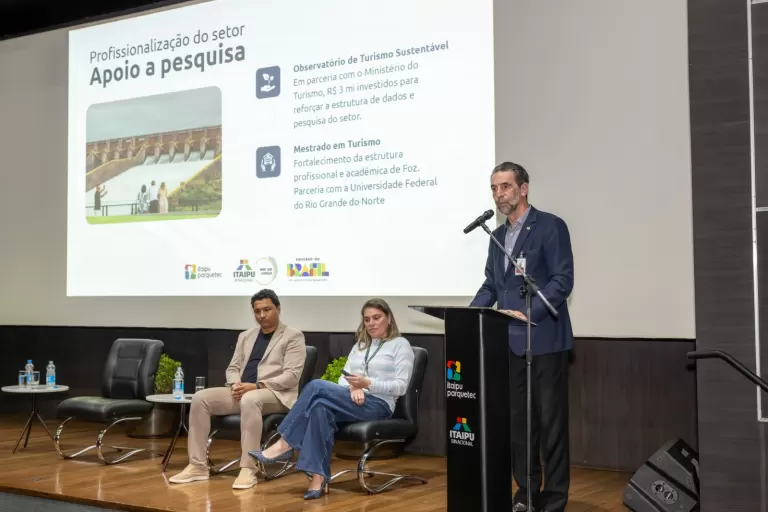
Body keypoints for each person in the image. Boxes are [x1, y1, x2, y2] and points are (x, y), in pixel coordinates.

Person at [470, 162, 574, 512]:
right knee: (520, 426)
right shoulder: (497, 237)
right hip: (510, 345)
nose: (499, 194)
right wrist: (470, 315)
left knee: (550, 426)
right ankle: (526, 494)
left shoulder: (550, 226)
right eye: (494, 188)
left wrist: (532, 315)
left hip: (544, 340)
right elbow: (492, 285)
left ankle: (555, 499)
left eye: (505, 187)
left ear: (523, 188)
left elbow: (562, 280)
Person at [251, 298, 414, 500]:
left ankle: (284, 443)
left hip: (380, 405)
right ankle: (318, 479)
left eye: (376, 318)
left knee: (316, 386)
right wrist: (353, 386)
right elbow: (343, 377)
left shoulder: (400, 345)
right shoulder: (361, 345)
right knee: (320, 407)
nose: (371, 323)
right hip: (354, 400)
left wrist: (367, 384)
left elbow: (401, 386)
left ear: (389, 318)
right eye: (367, 319)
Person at [169, 289, 306, 489]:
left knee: (251, 399)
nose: (262, 315)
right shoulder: (246, 336)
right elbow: (233, 368)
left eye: (267, 309)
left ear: (278, 308)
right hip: (244, 391)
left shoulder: (293, 336)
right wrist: (235, 384)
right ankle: (197, 466)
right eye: (257, 311)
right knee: (200, 398)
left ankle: (248, 468)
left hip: (276, 394)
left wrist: (256, 386)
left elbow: (291, 376)